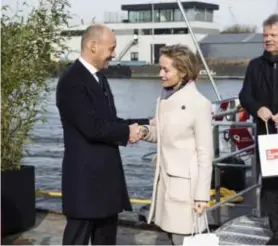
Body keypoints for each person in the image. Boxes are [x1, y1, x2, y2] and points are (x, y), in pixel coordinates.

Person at [56, 24, 150, 245]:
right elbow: (92, 127)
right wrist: (128, 131)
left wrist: (145, 123)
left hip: (106, 181)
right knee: (77, 239)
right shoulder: (72, 81)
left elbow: (108, 122)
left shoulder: (100, 78)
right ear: (93, 46)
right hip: (85, 182)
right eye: (111, 48)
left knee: (107, 240)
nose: (114, 54)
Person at [139, 44, 214, 245]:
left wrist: (201, 197)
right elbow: (160, 133)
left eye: (165, 69)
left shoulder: (199, 104)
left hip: (186, 189)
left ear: (182, 72)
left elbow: (205, 154)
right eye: (160, 68)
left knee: (184, 239)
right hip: (165, 181)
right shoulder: (165, 97)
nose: (160, 74)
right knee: (173, 238)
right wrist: (144, 131)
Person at [238, 14, 278, 245]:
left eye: (273, 35)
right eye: (266, 35)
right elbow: (245, 95)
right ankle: (276, 231)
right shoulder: (255, 66)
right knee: (271, 184)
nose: (268, 39)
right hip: (267, 138)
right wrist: (257, 108)